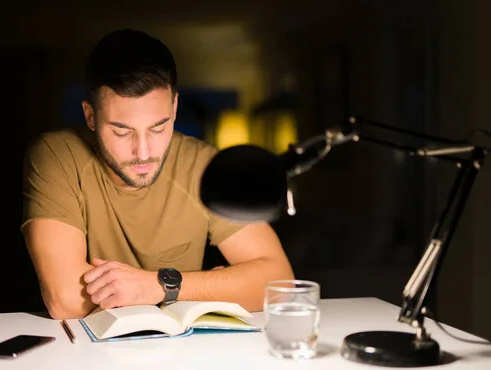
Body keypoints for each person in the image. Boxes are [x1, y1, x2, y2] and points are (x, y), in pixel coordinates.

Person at [21, 29, 294, 319]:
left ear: (175, 108)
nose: (143, 151)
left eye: (158, 127)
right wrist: (214, 286)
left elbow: (280, 284)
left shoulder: (202, 164)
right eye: (121, 131)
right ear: (90, 117)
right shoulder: (56, 155)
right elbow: (65, 300)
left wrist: (157, 285)